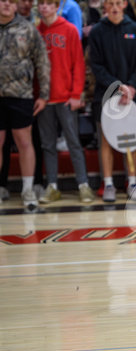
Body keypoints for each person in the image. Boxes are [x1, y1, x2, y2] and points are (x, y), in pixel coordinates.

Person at [36, 0, 95, 204]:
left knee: (73, 142)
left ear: (56, 7)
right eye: (41, 4)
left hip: (66, 97)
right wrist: (37, 96)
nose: (44, 7)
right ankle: (52, 186)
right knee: (48, 144)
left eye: (48, 4)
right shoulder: (36, 31)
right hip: (44, 99)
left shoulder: (69, 29)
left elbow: (78, 63)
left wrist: (76, 93)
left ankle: (83, 185)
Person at [88, 0, 136, 202]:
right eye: (110, 3)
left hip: (130, 95)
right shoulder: (97, 32)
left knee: (131, 139)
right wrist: (116, 85)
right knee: (106, 139)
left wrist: (130, 86)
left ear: (124, 4)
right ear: (105, 6)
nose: (114, 6)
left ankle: (132, 182)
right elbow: (95, 66)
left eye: (117, 3)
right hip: (104, 95)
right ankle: (109, 184)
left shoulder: (134, 29)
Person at [0, 0, 50, 207]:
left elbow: (42, 62)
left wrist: (44, 94)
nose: (6, 4)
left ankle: (28, 191)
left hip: (21, 95)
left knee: (25, 142)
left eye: (11, 1)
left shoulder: (27, 29)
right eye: (3, 0)